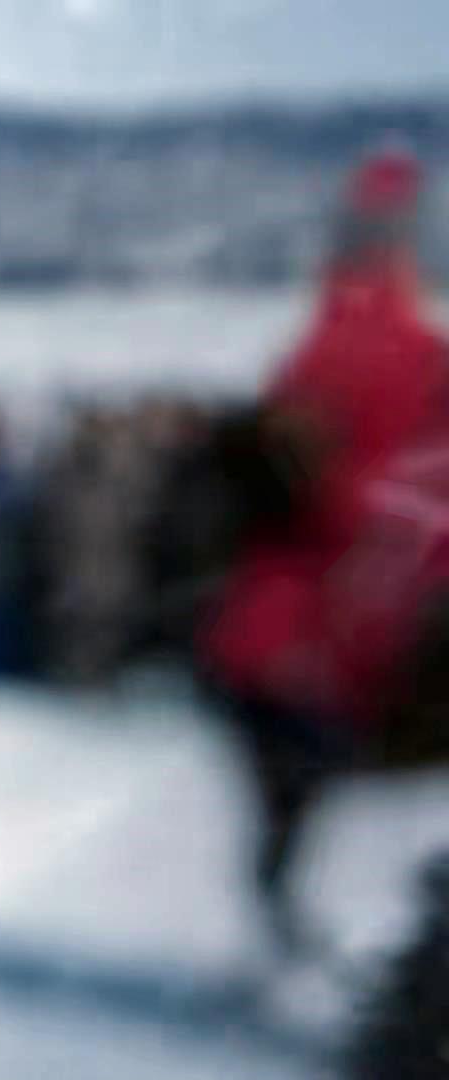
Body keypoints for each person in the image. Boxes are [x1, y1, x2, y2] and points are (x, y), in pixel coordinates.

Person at [199, 147, 449, 952]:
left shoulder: (314, 350)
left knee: (291, 797)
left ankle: (288, 909)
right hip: (346, 620)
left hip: (282, 624)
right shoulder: (411, 354)